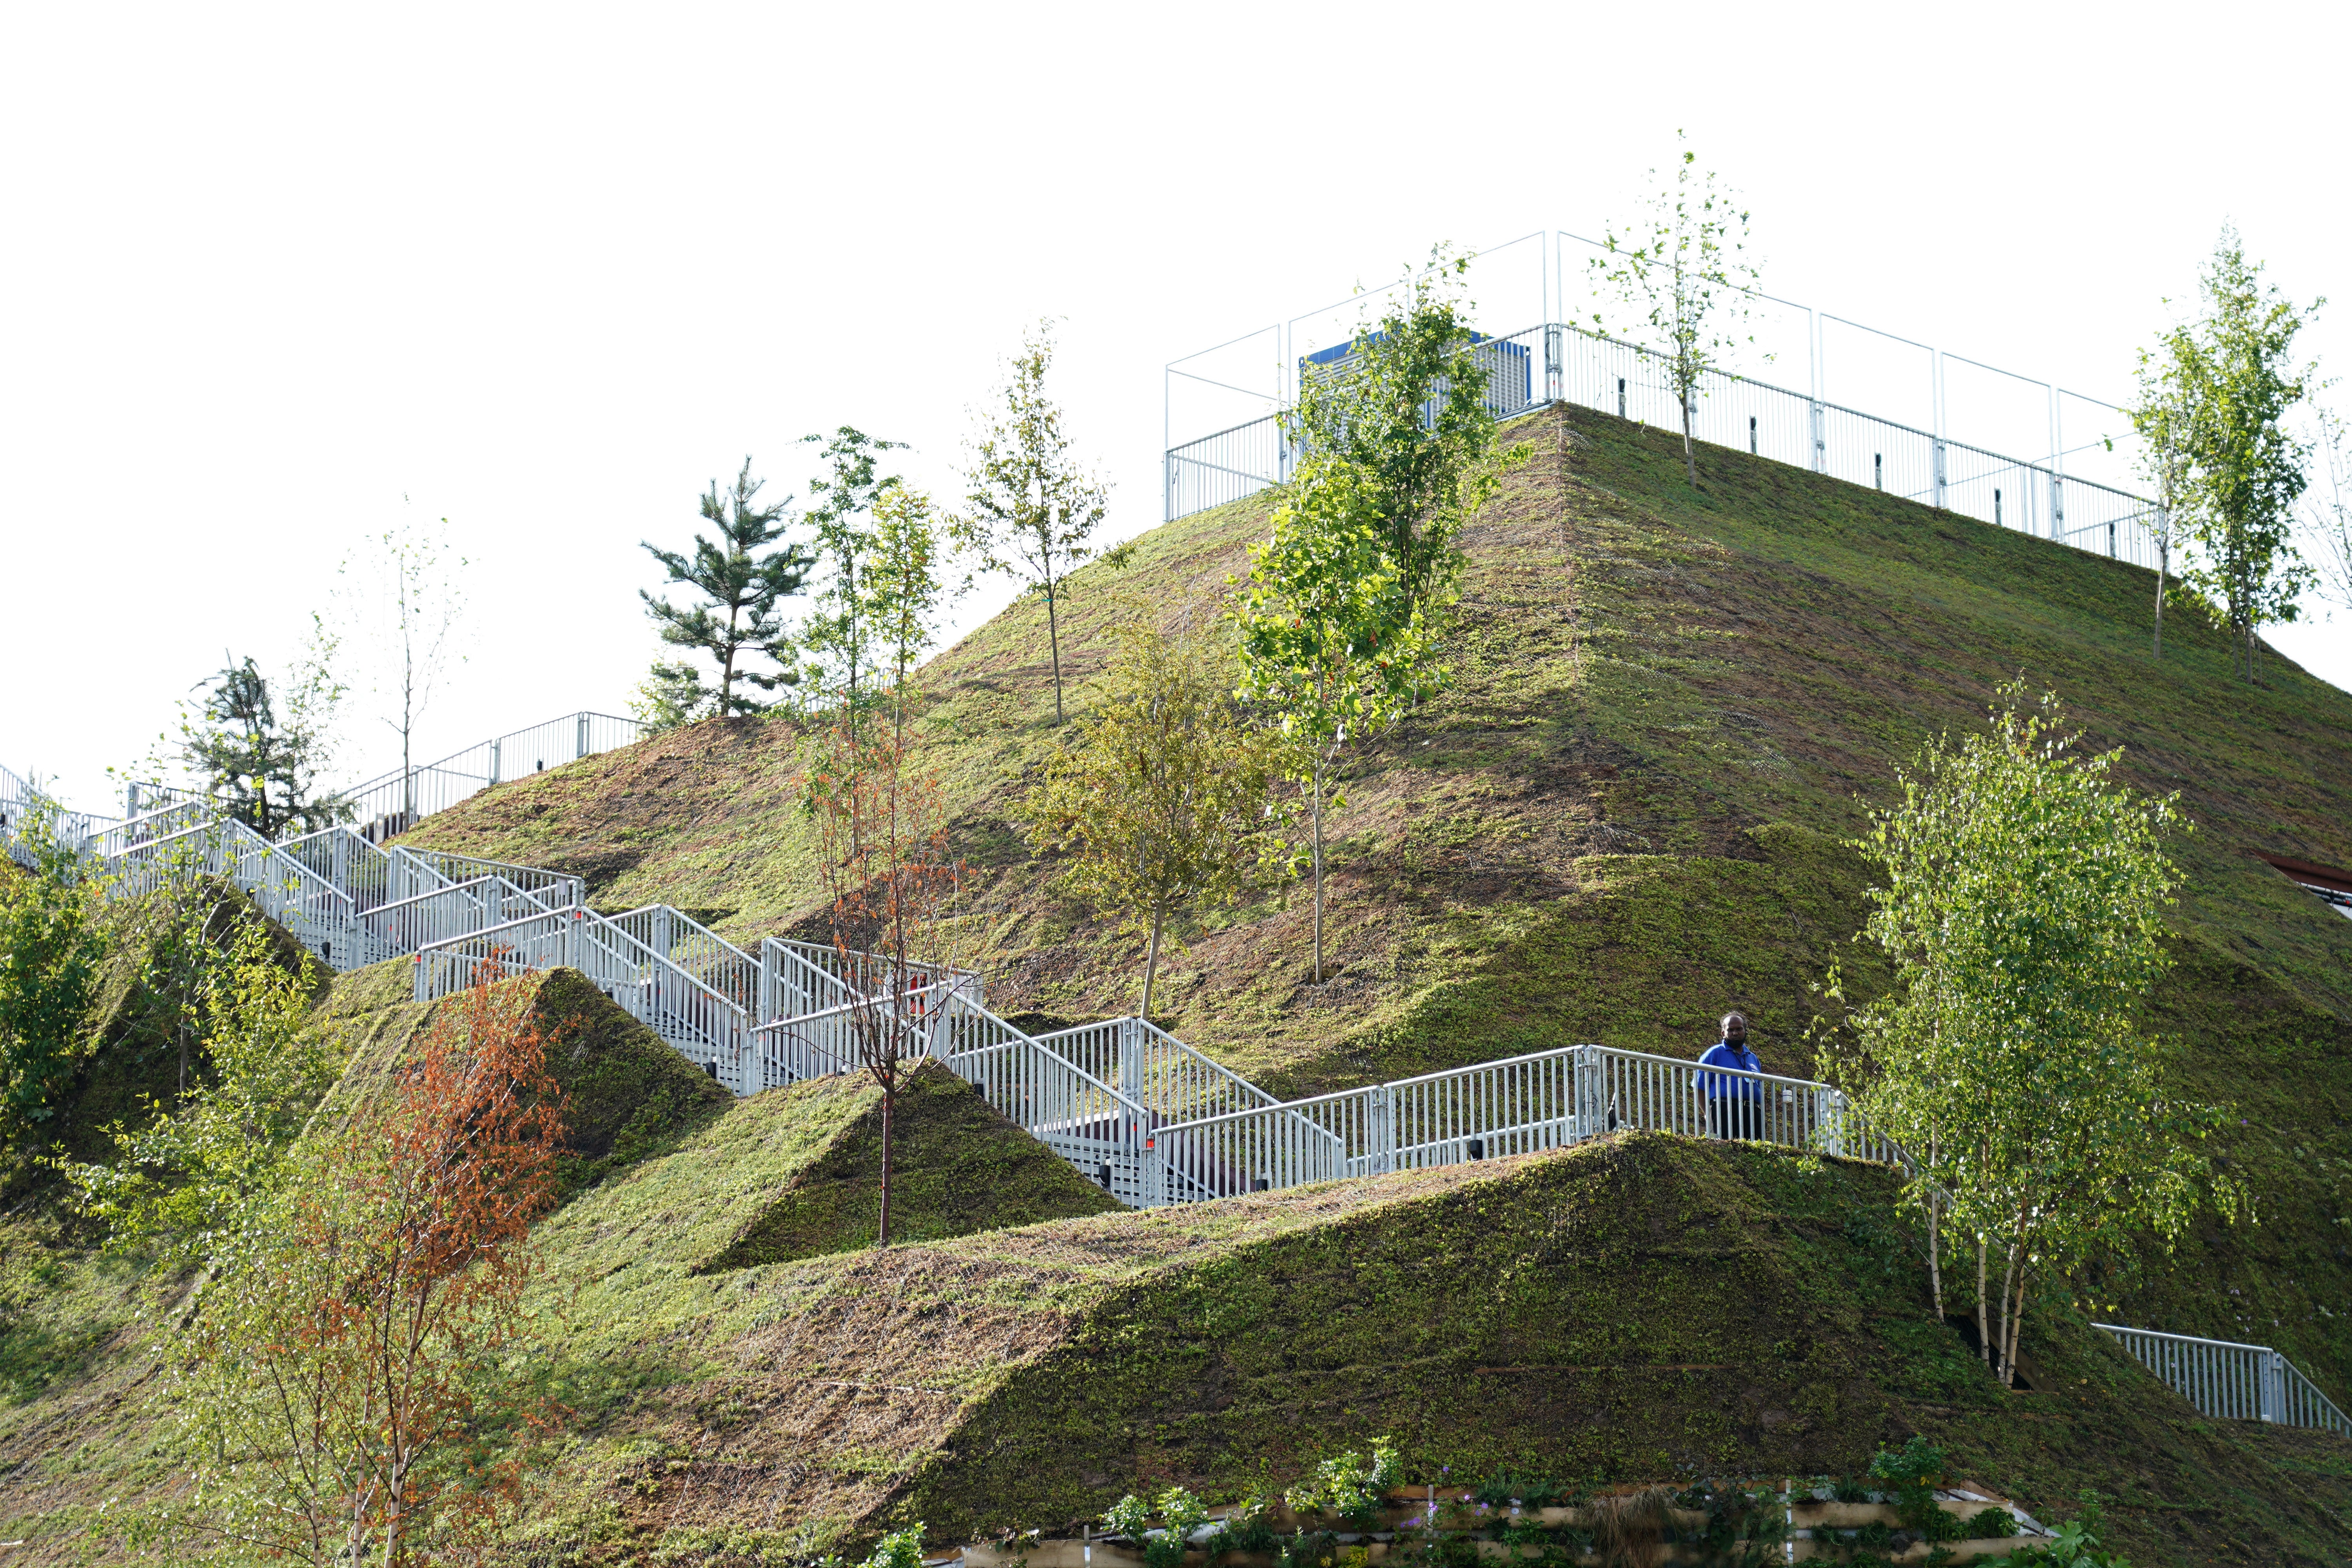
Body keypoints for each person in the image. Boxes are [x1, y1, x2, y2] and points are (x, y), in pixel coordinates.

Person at [1698, 1012, 1764, 1142]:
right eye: (1731, 1030)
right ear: (1723, 1033)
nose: (1735, 1033)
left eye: (1739, 1029)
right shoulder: (1714, 1054)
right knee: (1725, 1152)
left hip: (1752, 1113)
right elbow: (1700, 1086)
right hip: (1724, 1111)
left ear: (1745, 1031)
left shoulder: (1753, 1058)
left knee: (1754, 1155)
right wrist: (1708, 1113)